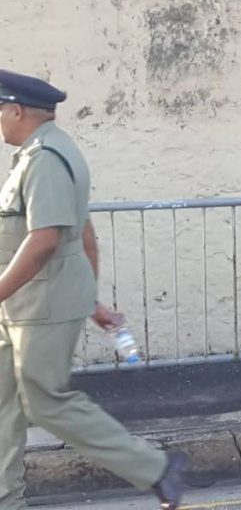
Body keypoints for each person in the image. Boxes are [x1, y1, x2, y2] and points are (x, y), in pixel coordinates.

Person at [0, 70, 187, 510]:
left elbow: (45, 239)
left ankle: (157, 469)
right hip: (21, 303)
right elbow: (83, 233)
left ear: (16, 110)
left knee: (45, 402)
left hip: (38, 304)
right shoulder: (39, 154)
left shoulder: (45, 157)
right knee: (4, 403)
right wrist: (93, 301)